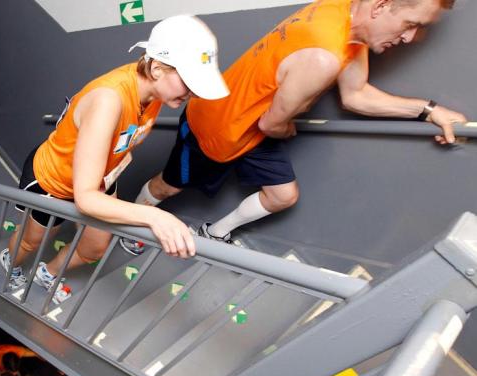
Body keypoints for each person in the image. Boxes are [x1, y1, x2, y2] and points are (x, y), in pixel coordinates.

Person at [125, 0, 467, 252]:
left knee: (282, 195)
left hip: (253, 125)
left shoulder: (345, 17)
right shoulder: (323, 56)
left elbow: (355, 94)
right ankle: (132, 224)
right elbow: (273, 123)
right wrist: (287, 129)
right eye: (410, 24)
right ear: (381, 6)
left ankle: (215, 233)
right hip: (215, 124)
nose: (410, 38)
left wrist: (428, 110)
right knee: (168, 187)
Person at [0, 15, 229, 303]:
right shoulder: (110, 100)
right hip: (54, 182)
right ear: (157, 68)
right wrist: (156, 216)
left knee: (94, 248)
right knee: (32, 241)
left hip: (99, 179)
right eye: (189, 81)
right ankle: (12, 261)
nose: (192, 92)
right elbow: (85, 199)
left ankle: (48, 272)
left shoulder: (156, 94)